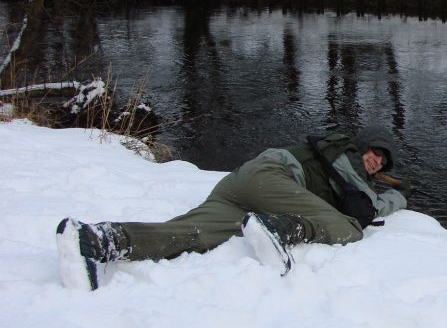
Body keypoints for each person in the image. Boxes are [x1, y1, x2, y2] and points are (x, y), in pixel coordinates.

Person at [56, 125, 408, 291]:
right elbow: (369, 209)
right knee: (351, 228)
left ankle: (100, 240)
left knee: (191, 234)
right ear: (362, 146)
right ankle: (283, 229)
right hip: (271, 179)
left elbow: (367, 196)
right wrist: (399, 196)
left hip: (239, 185)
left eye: (383, 161)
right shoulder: (347, 157)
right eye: (375, 152)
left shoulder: (345, 164)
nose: (377, 161)